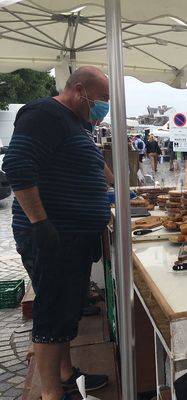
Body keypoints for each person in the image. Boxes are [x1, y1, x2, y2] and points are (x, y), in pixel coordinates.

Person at [3, 66, 111, 400]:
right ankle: (52, 393)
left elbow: (95, 168)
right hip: (54, 235)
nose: (102, 109)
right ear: (79, 90)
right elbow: (18, 166)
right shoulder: (44, 113)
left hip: (73, 237)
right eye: (101, 101)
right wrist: (41, 223)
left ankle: (66, 374)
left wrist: (116, 187)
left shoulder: (77, 124)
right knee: (52, 311)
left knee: (66, 309)